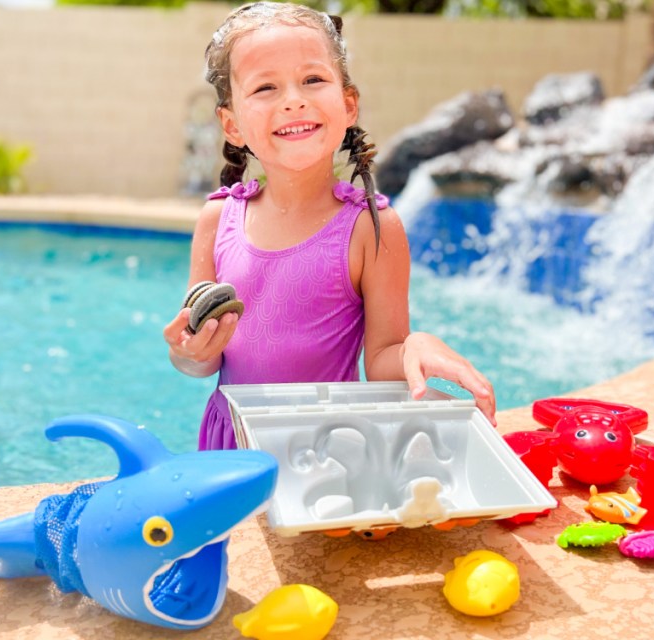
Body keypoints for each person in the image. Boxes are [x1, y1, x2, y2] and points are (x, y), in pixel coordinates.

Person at [163, 1, 495, 450]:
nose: (293, 99)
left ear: (348, 103)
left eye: (313, 80)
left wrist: (417, 345)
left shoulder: (371, 228)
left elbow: (381, 359)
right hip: (233, 442)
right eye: (265, 88)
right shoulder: (218, 219)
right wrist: (187, 353)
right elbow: (204, 359)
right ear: (231, 123)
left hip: (326, 444)